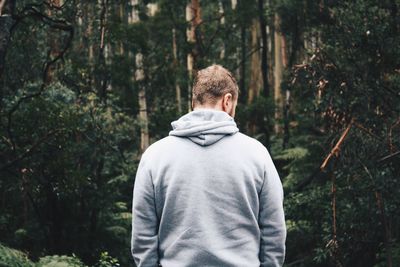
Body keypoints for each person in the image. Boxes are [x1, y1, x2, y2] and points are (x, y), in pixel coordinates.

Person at [131, 65, 286, 267]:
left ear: (194, 101)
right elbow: (274, 231)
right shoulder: (257, 154)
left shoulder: (154, 156)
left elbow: (143, 237)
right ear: (227, 101)